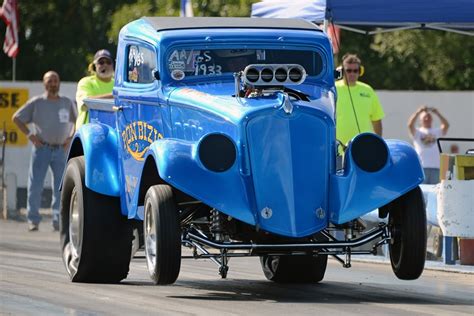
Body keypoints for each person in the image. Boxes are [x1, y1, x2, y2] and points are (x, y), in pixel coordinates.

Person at [12, 71, 77, 231]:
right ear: (44, 83)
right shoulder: (37, 103)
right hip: (42, 149)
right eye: (50, 81)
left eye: (55, 80)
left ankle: (58, 220)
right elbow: (16, 118)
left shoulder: (67, 102)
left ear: (59, 83)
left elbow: (77, 121)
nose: (53, 83)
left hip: (61, 150)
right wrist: (30, 135)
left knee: (60, 186)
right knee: (35, 185)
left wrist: (70, 138)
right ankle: (33, 220)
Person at [335, 53, 385, 147]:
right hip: (336, 148)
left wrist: (377, 143)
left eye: (355, 70)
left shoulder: (368, 90)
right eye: (348, 70)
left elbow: (376, 120)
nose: (352, 74)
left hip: (363, 147)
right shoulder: (333, 89)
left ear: (360, 71)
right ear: (342, 71)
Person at [408, 105, 449, 184]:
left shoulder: (437, 131)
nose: (427, 119)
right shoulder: (418, 132)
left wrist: (437, 113)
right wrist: (418, 112)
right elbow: (410, 125)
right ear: (420, 120)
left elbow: (446, 125)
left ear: (432, 119)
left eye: (429, 117)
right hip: (422, 167)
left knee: (435, 192)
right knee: (422, 191)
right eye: (424, 117)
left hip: (436, 167)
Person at [76, 49, 114, 128]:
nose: (105, 65)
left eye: (108, 62)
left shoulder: (118, 85)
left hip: (113, 131)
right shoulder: (85, 82)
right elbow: (85, 103)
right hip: (88, 132)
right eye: (101, 62)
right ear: (94, 66)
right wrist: (114, 95)